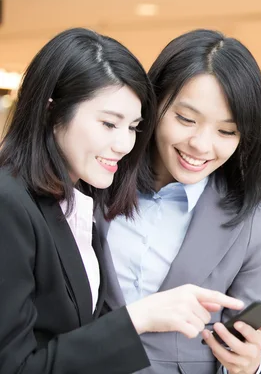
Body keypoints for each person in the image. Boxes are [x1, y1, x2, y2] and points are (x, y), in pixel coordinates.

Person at [0, 28, 244, 374]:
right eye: (109, 124)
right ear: (52, 112)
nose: (124, 144)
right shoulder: (8, 203)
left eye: (133, 126)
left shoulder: (79, 201)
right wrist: (137, 318)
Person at [99, 29, 261, 374]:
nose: (200, 144)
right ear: (153, 104)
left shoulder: (254, 222)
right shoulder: (94, 183)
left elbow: (248, 346)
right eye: (185, 118)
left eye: (226, 131)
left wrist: (249, 364)